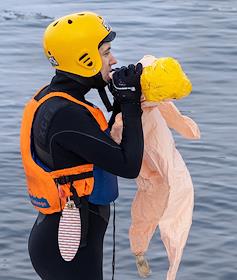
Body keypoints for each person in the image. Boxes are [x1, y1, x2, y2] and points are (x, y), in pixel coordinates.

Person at [20, 12, 144, 280]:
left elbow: (99, 147)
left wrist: (122, 102)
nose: (113, 60)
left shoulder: (57, 100)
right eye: (106, 52)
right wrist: (132, 105)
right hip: (69, 249)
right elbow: (128, 164)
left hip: (61, 238)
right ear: (84, 58)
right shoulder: (67, 114)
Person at [111, 55, 200, 280]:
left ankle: (145, 252)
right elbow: (117, 137)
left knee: (180, 193)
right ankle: (140, 251)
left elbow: (169, 110)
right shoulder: (133, 109)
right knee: (154, 198)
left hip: (161, 151)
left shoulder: (152, 83)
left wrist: (185, 127)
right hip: (147, 163)